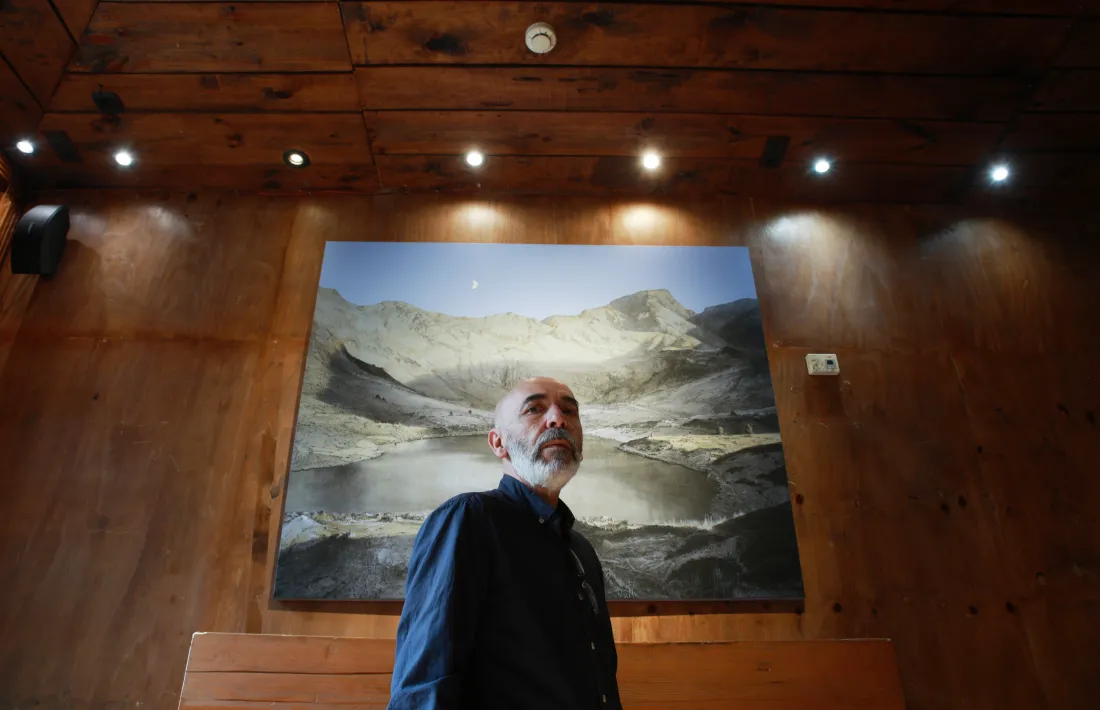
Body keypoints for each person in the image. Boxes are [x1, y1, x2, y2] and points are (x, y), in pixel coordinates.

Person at [387, 376, 622, 710]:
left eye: (570, 411)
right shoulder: (469, 520)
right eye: (534, 409)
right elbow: (425, 684)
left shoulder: (580, 549)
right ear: (499, 443)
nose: (558, 419)